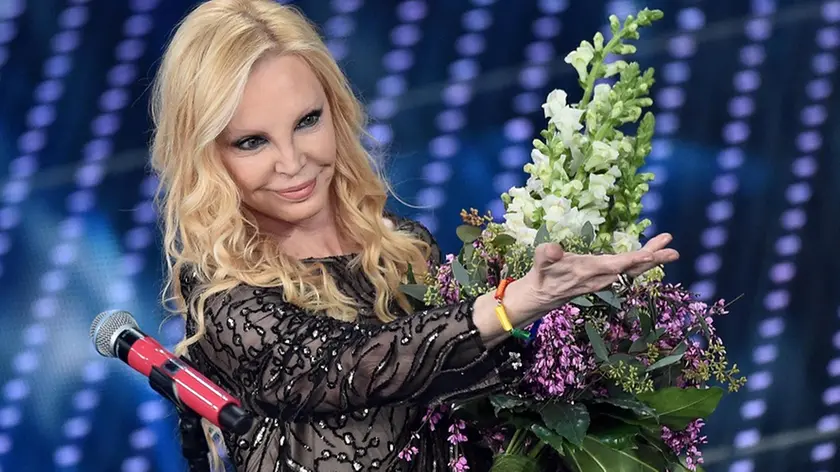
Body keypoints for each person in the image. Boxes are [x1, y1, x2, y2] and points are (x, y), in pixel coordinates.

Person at [150, 0, 680, 471]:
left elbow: (477, 396)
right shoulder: (225, 302)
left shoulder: (402, 246)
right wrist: (510, 305)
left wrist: (578, 332)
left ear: (336, 110)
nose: (292, 162)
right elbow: (352, 366)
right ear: (206, 157)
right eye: (251, 142)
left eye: (307, 121)